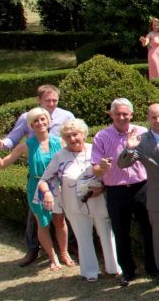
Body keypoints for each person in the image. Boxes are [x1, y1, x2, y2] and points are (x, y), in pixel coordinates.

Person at [0, 84, 74, 267]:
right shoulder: (26, 145)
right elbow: (2, 162)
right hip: (36, 187)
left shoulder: (59, 139)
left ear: (49, 122)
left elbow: (76, 149)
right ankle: (51, 257)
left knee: (60, 221)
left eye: (43, 120)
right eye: (36, 121)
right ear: (30, 124)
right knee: (41, 223)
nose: (40, 123)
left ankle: (65, 253)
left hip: (58, 185)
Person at [36, 118, 119, 282]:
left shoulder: (95, 149)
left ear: (83, 134)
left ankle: (114, 267)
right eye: (67, 136)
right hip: (74, 205)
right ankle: (90, 272)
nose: (72, 139)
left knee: (107, 235)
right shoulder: (60, 155)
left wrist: (102, 188)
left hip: (99, 201)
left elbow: (110, 174)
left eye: (75, 134)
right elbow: (44, 180)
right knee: (83, 237)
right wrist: (47, 194)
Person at [116, 103, 159, 291]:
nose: (158, 121)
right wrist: (128, 148)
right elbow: (122, 164)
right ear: (148, 119)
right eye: (154, 118)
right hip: (158, 197)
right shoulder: (141, 140)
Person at [91, 98, 154, 287]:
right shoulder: (101, 137)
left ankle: (152, 266)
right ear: (111, 115)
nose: (121, 117)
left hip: (141, 187)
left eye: (125, 114)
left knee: (148, 230)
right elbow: (95, 168)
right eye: (117, 114)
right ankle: (127, 270)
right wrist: (101, 168)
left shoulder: (142, 133)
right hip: (116, 191)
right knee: (121, 232)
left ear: (132, 115)